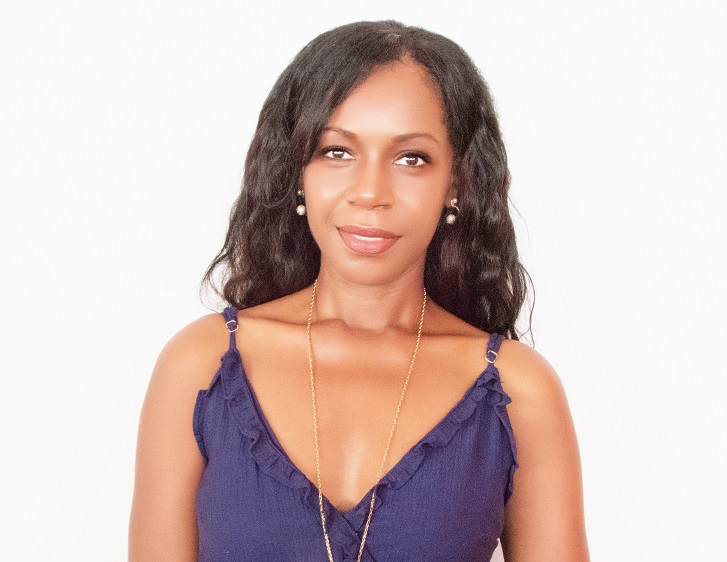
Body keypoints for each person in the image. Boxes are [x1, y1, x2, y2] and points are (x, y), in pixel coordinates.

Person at [129, 20, 589, 562]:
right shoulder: (200, 366)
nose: (370, 193)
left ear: (457, 182)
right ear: (297, 170)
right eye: (337, 152)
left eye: (411, 158)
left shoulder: (519, 393)